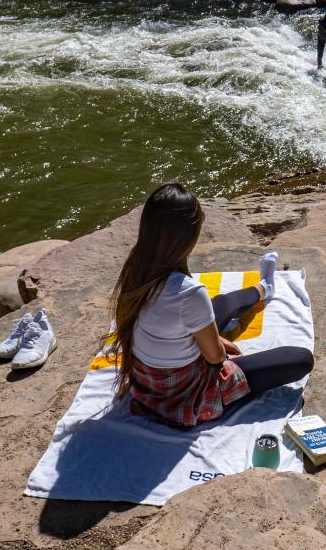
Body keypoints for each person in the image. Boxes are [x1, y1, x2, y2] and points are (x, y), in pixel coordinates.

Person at [110, 182, 314, 428]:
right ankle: (264, 288)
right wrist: (217, 343)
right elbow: (215, 357)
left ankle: (263, 289)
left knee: (219, 304)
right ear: (188, 236)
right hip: (186, 393)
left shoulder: (137, 269)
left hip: (147, 384)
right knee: (300, 359)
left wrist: (213, 337)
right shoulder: (189, 293)